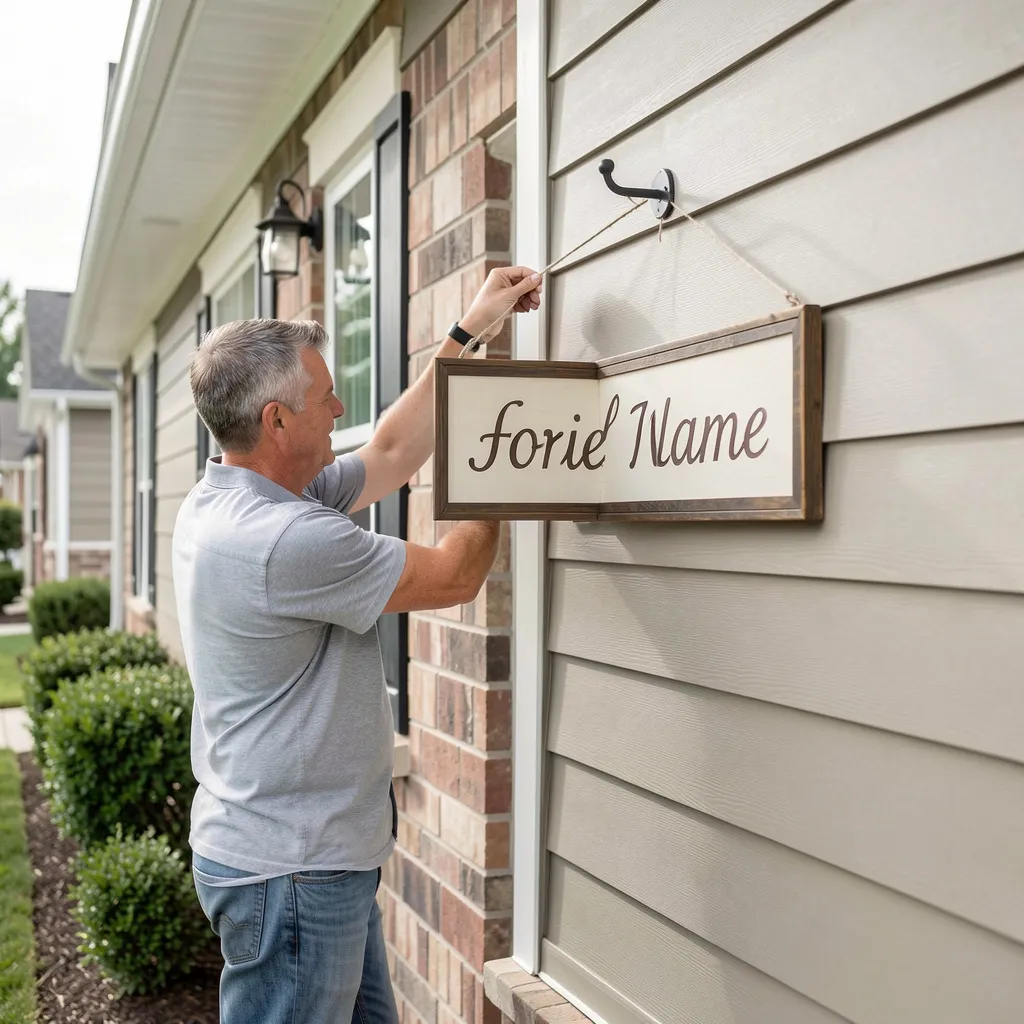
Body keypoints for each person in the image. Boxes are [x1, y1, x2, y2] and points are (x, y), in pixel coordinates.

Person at [172, 266, 543, 1024]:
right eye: (325, 398)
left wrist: (469, 332)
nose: (340, 408)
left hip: (301, 860)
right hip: (294, 874)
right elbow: (455, 574)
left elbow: (393, 450)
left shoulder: (244, 493)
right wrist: (499, 459)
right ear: (276, 421)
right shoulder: (284, 539)